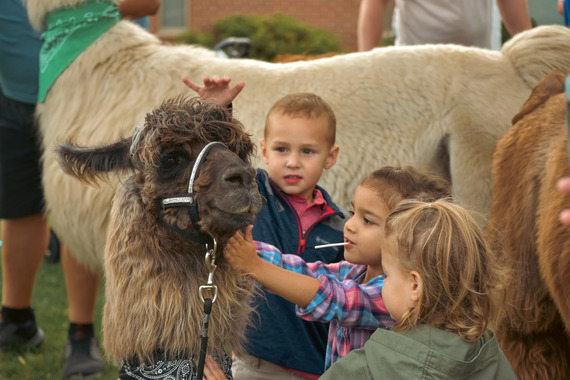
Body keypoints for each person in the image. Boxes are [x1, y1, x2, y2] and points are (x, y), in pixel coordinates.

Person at [0, 1, 160, 378]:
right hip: (15, 99)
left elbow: (147, 3)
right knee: (18, 210)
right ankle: (16, 318)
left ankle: (81, 332)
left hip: (92, 95)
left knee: (78, 208)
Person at [185, 76, 346, 379]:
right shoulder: (256, 193)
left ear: (331, 157)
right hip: (255, 360)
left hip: (317, 367)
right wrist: (219, 113)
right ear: (265, 150)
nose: (293, 162)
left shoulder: (340, 227)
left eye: (307, 152)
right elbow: (223, 158)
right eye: (282, 149)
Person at [224, 165, 451, 371]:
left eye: (368, 221)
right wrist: (243, 248)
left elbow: (333, 299)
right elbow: (301, 270)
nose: (350, 225)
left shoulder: (393, 295)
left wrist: (255, 267)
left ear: (406, 240)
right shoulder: (353, 272)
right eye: (353, 214)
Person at [320, 198, 516, 379]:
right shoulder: (493, 360)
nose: (382, 282)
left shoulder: (364, 368)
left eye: (386, 275)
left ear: (415, 286)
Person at [357, 0, 532, 51]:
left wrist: (532, 48)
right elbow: (376, 3)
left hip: (479, 65)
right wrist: (364, 64)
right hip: (416, 68)